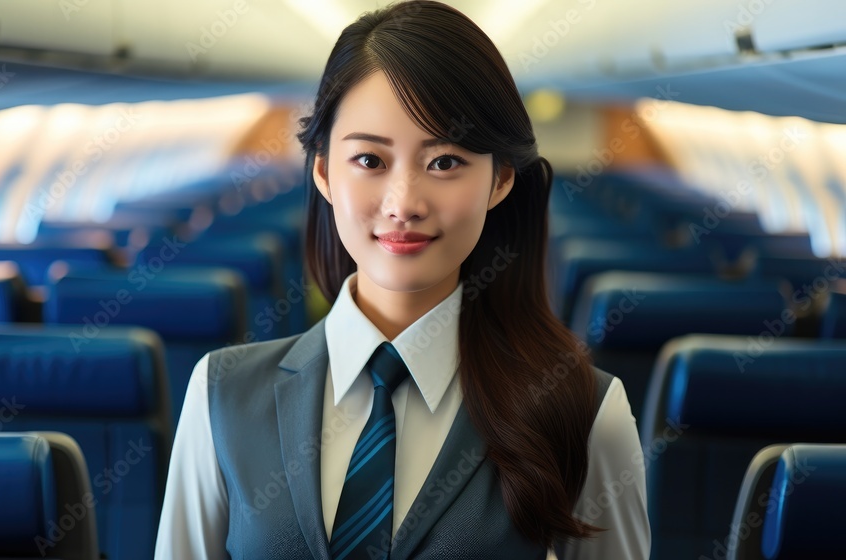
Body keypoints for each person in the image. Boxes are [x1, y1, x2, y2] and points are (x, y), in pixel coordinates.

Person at [155, 1, 650, 558]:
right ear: (323, 172)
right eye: (369, 160)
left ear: (499, 181)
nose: (403, 204)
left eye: (444, 162)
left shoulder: (584, 412)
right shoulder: (222, 396)